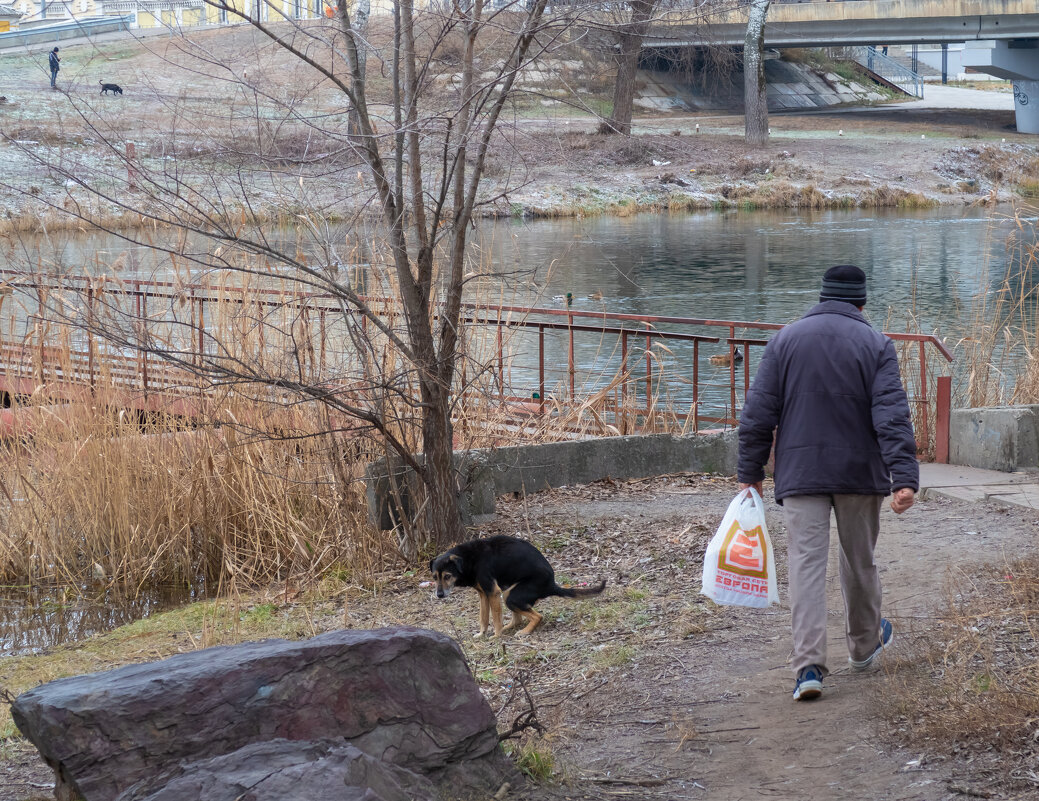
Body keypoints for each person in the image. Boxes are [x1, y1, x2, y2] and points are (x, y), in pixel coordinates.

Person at [736, 264, 918, 702]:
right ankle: (863, 645)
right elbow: (891, 416)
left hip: (801, 475)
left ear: (821, 296)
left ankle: (809, 668)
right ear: (862, 302)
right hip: (860, 474)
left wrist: (750, 473)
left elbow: (759, 413)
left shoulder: (784, 340)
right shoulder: (876, 344)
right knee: (860, 561)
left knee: (805, 566)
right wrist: (904, 477)